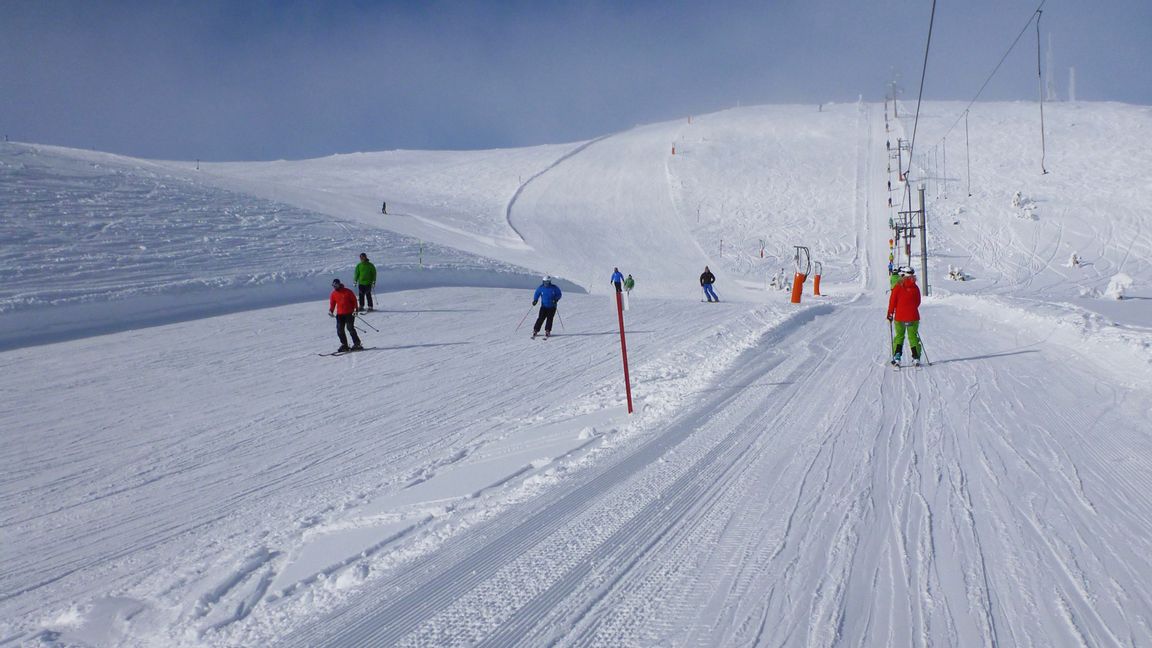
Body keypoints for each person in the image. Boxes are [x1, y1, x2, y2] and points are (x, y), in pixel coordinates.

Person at [887, 266, 922, 366]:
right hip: (913, 317)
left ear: (902, 275)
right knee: (912, 337)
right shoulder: (915, 288)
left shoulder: (897, 287)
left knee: (899, 336)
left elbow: (892, 302)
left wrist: (890, 314)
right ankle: (916, 357)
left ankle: (897, 357)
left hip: (900, 317)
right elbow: (918, 302)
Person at [328, 279, 363, 353]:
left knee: (350, 328)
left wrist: (356, 310)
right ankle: (344, 345)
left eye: (336, 285)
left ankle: (357, 344)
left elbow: (354, 301)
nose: (335, 287)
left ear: (339, 284)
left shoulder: (347, 291)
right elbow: (332, 303)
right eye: (333, 286)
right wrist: (331, 311)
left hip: (349, 313)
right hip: (340, 315)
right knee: (339, 330)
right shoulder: (333, 294)